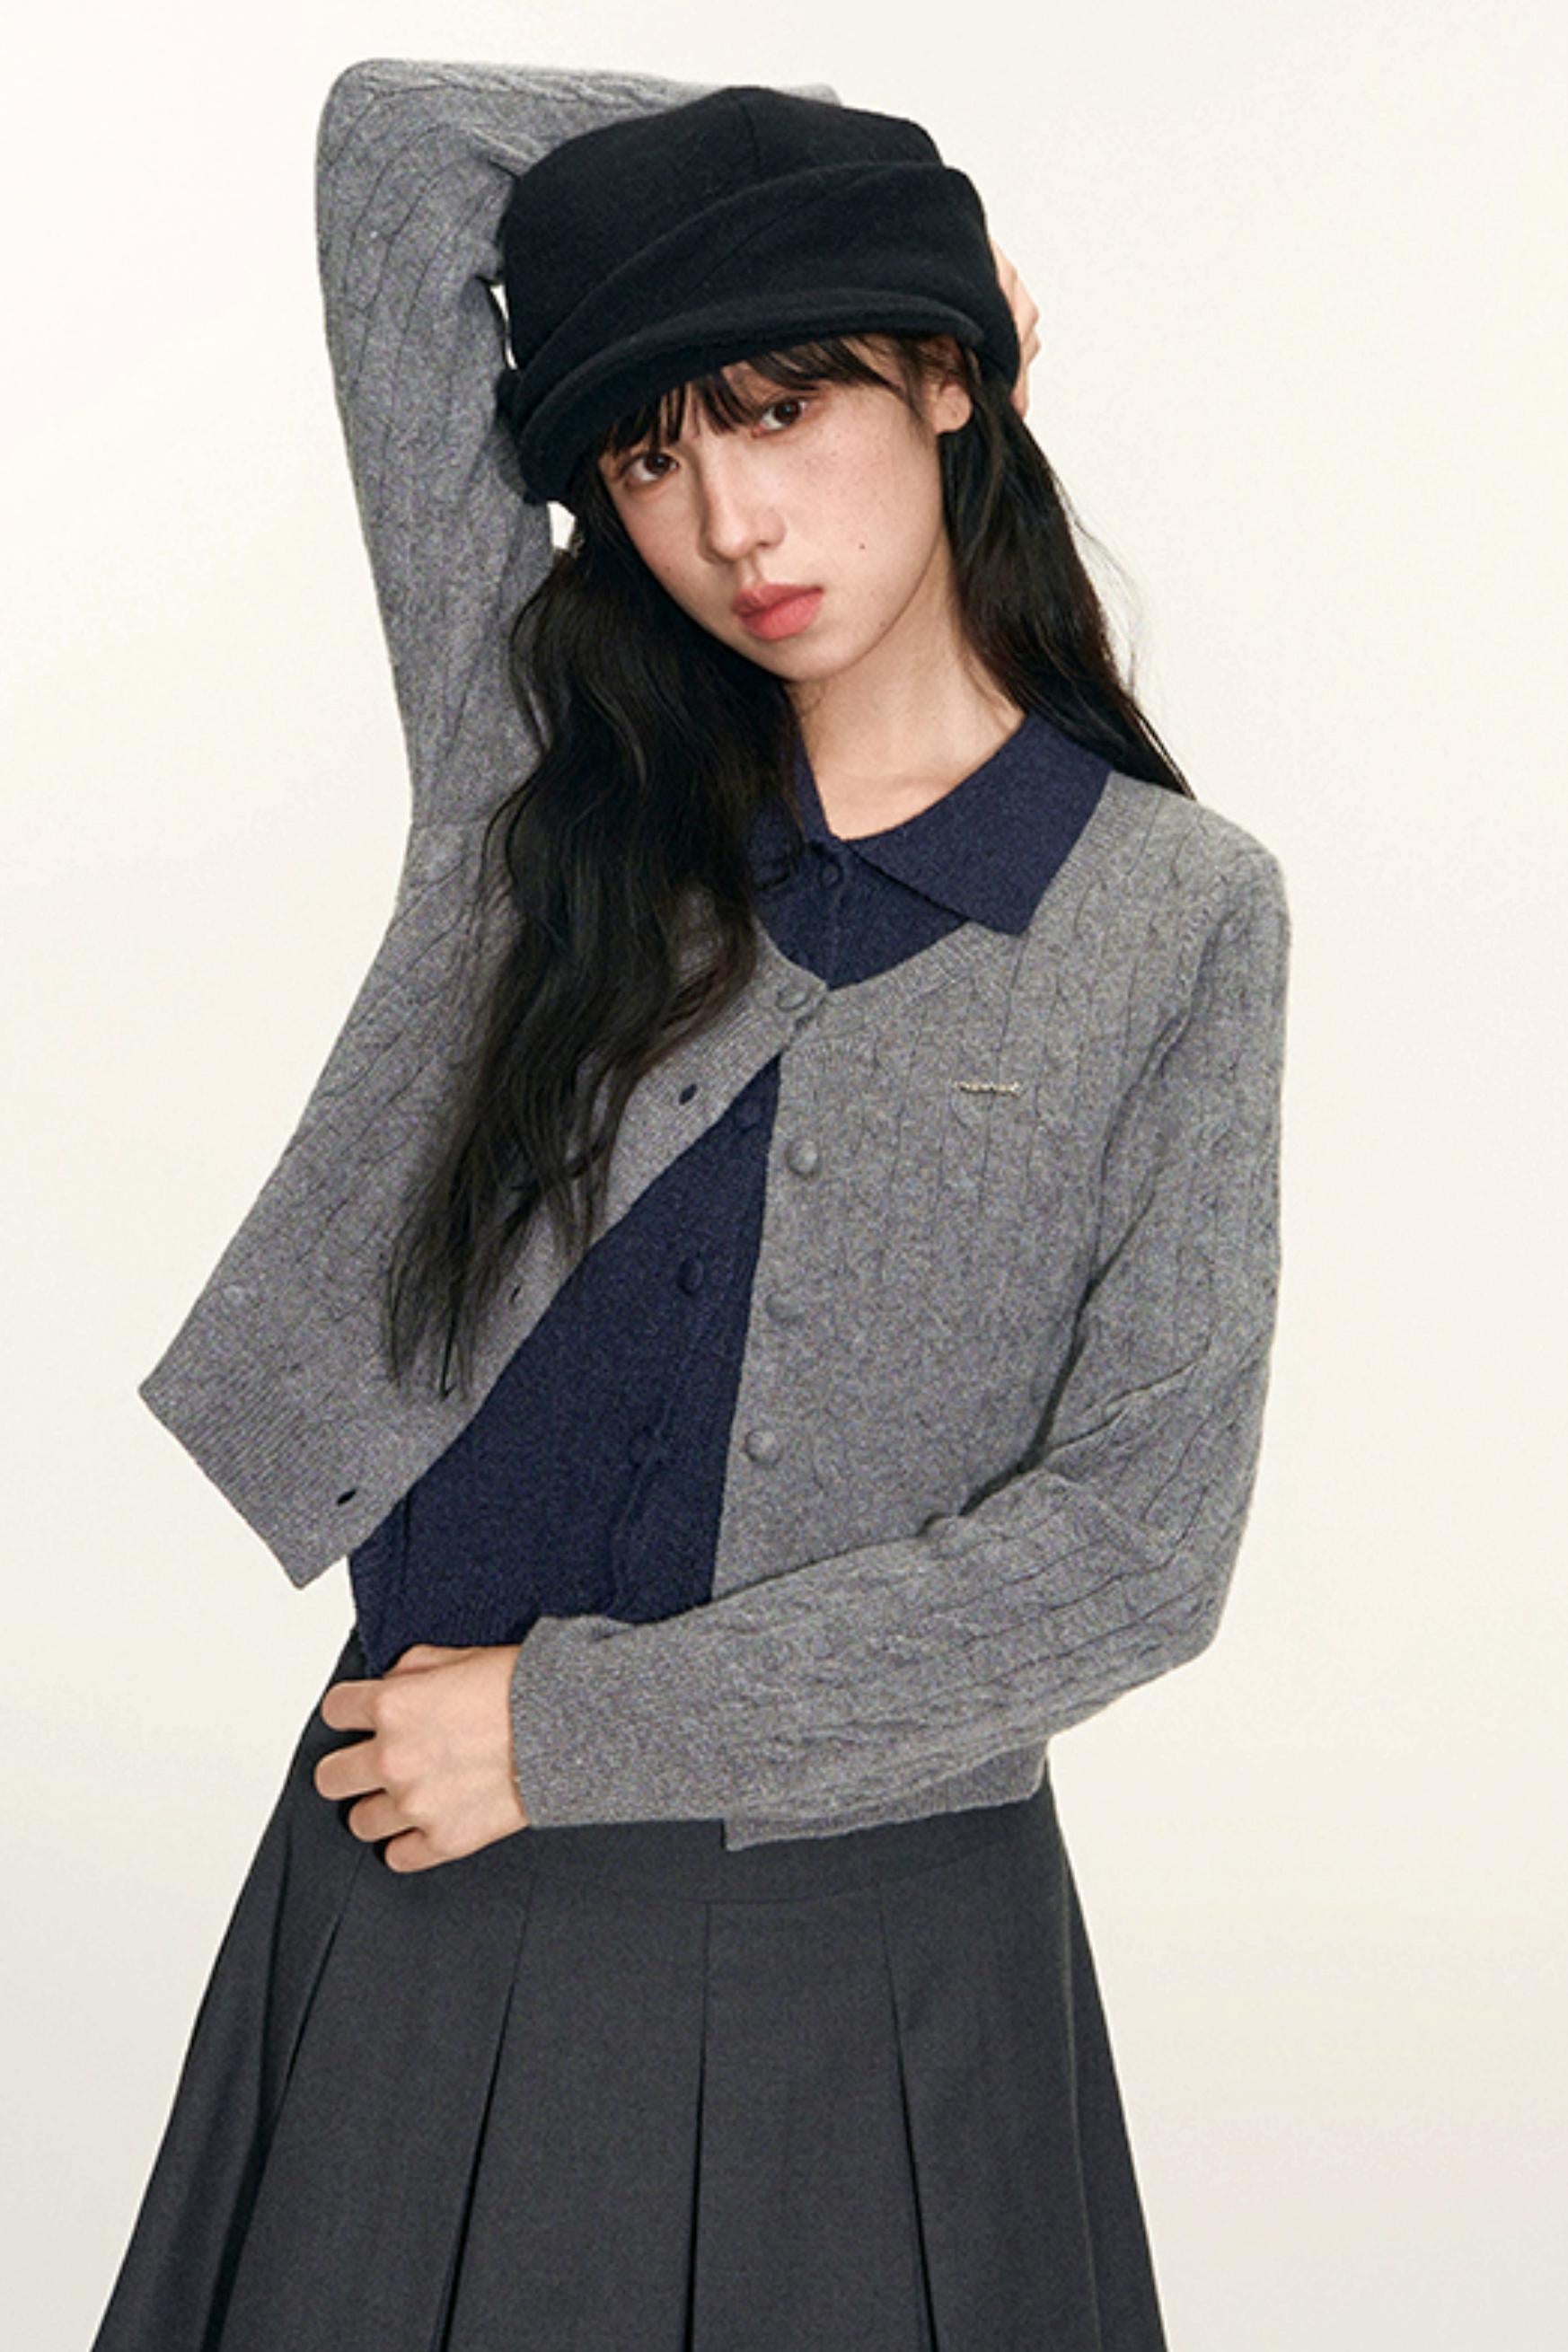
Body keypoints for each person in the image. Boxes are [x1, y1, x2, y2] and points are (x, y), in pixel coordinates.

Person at [89, 56, 1291, 2352]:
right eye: (649, 454)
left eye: (783, 403)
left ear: (949, 379)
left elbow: (1138, 1547)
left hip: (884, 1974)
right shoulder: (544, 781)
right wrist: (864, 222)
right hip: (416, 1903)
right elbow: (391, 140)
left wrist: (569, 1734)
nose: (733, 516)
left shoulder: (1176, 915)